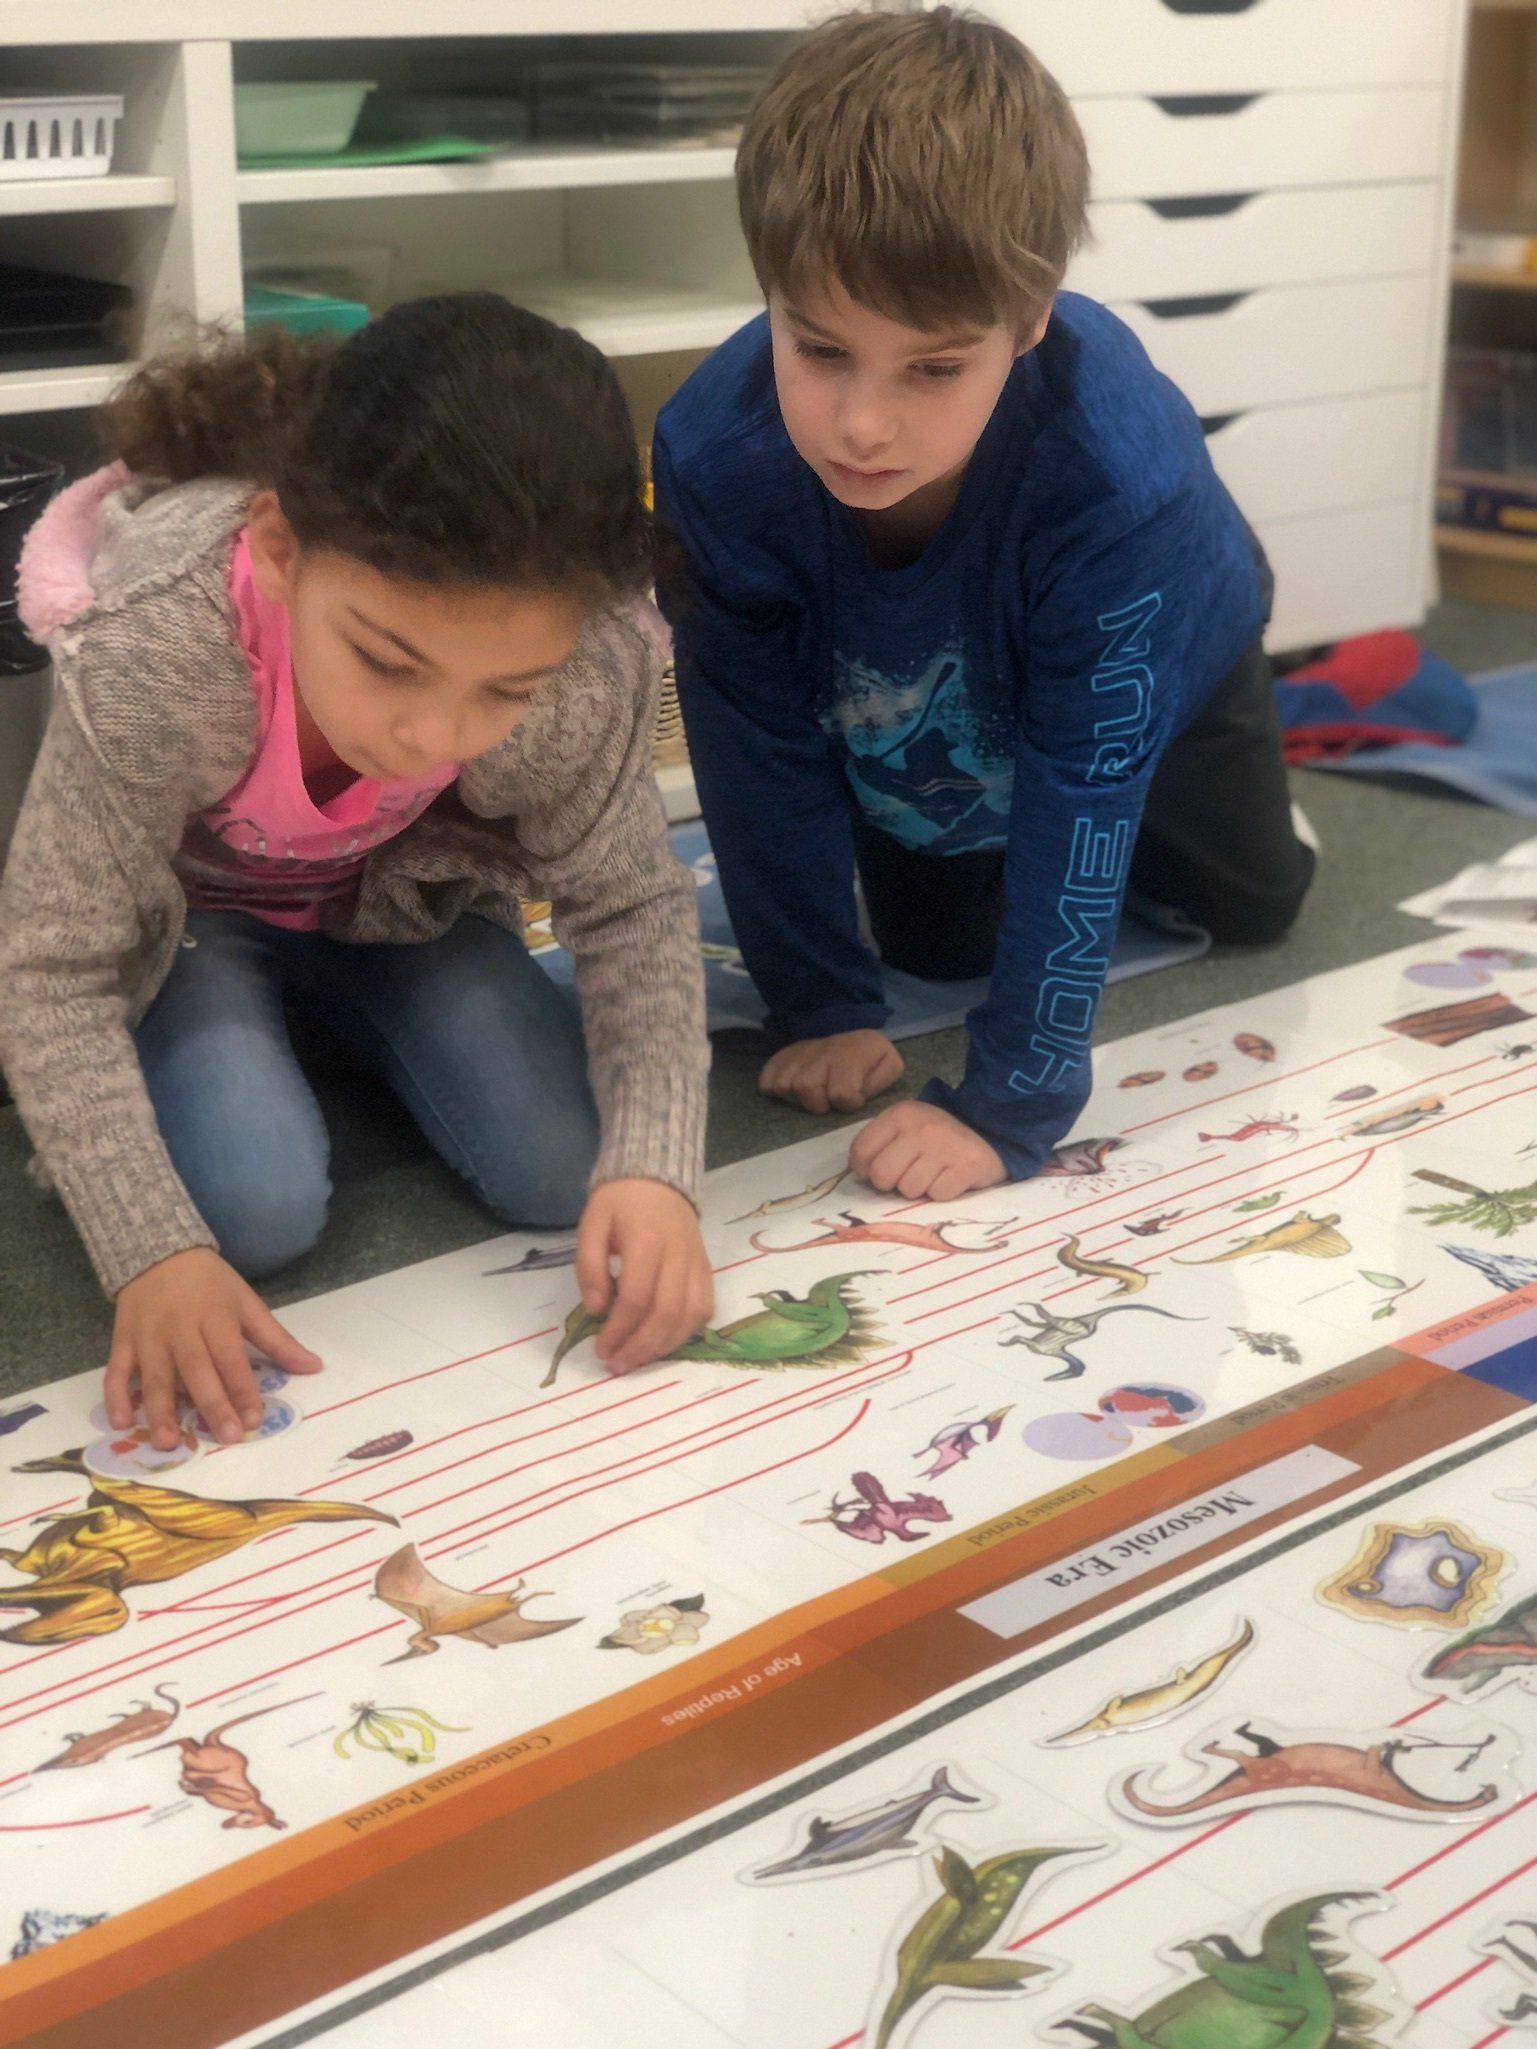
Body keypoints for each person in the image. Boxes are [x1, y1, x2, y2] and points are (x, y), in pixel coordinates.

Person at [0, 295, 714, 1449]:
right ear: (281, 551)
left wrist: (663, 1168)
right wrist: (150, 1249)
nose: (432, 736)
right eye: (388, 661)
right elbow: (47, 970)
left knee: (571, 1170)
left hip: (398, 912)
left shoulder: (584, 661)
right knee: (245, 1208)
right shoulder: (156, 641)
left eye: (505, 690)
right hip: (193, 925)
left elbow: (630, 903)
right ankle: (252, 1046)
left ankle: (323, 1036)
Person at [653, 7, 1313, 1207]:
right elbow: (751, 742)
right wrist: (819, 1002)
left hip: (1166, 652)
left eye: (934, 368)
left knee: (1252, 900)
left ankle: (1256, 762)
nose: (863, 424)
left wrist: (1011, 1105)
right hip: (912, 684)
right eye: (817, 349)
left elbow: (1086, 775)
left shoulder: (1117, 472)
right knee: (933, 952)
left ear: (1033, 316)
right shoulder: (711, 458)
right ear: (769, 292)